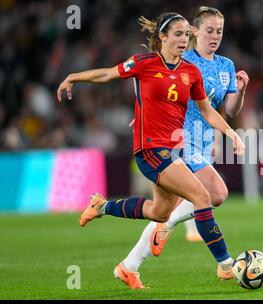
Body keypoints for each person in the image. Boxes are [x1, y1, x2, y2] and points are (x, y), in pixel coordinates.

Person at [57, 12, 246, 289]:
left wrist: (231, 134)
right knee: (203, 196)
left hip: (174, 149)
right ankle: (226, 264)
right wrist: (74, 76)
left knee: (159, 212)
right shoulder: (144, 64)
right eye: (178, 35)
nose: (184, 40)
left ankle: (102, 206)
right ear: (163, 37)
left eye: (186, 35)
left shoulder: (189, 72)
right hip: (151, 150)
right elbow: (108, 73)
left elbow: (207, 111)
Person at [114, 6, 250, 289]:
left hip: (201, 139)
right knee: (215, 193)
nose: (215, 36)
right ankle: (218, 260)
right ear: (194, 32)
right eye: (209, 30)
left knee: (180, 204)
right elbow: (156, 88)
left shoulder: (225, 65)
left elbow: (229, 109)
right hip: (175, 137)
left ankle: (130, 265)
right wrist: (142, 115)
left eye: (220, 31)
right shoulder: (181, 58)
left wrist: (241, 88)